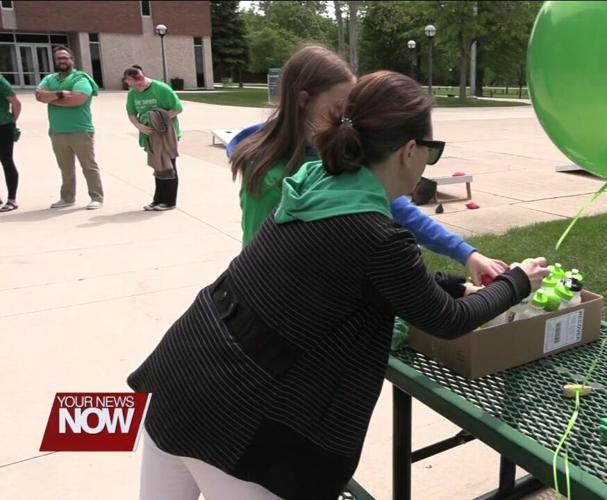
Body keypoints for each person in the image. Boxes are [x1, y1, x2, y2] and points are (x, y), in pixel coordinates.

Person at [128, 70, 551, 499]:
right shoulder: (374, 234)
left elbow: (364, 280)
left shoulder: (314, 184)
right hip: (236, 423)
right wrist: (518, 281)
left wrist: (456, 283)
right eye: (432, 151)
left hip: (180, 378)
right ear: (409, 151)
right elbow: (446, 320)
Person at [229, 45, 505, 284]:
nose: (349, 121)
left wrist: (466, 253)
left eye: (352, 110)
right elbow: (261, 269)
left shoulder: (337, 153)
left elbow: (395, 207)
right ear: (303, 101)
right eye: (340, 109)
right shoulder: (269, 176)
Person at [35, 46, 103, 210]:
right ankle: (67, 198)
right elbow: (38, 95)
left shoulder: (81, 78)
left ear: (72, 60)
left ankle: (96, 197)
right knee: (65, 168)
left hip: (80, 130)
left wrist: (50, 98)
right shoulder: (50, 79)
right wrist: (60, 94)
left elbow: (78, 100)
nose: (62, 61)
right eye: (59, 58)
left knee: (88, 166)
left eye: (65, 58)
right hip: (57, 131)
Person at [123, 66, 184, 211]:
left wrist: (158, 119)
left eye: (140, 80)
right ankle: (158, 200)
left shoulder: (161, 88)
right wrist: (140, 126)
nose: (138, 85)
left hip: (166, 135)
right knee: (157, 166)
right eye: (133, 83)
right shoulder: (132, 93)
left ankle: (169, 201)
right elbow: (131, 113)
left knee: (168, 166)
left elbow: (178, 108)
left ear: (143, 76)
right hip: (149, 135)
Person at [0, 74, 20, 212]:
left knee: (6, 160)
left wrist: (12, 121)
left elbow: (16, 103)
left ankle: (11, 199)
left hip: (3, 125)